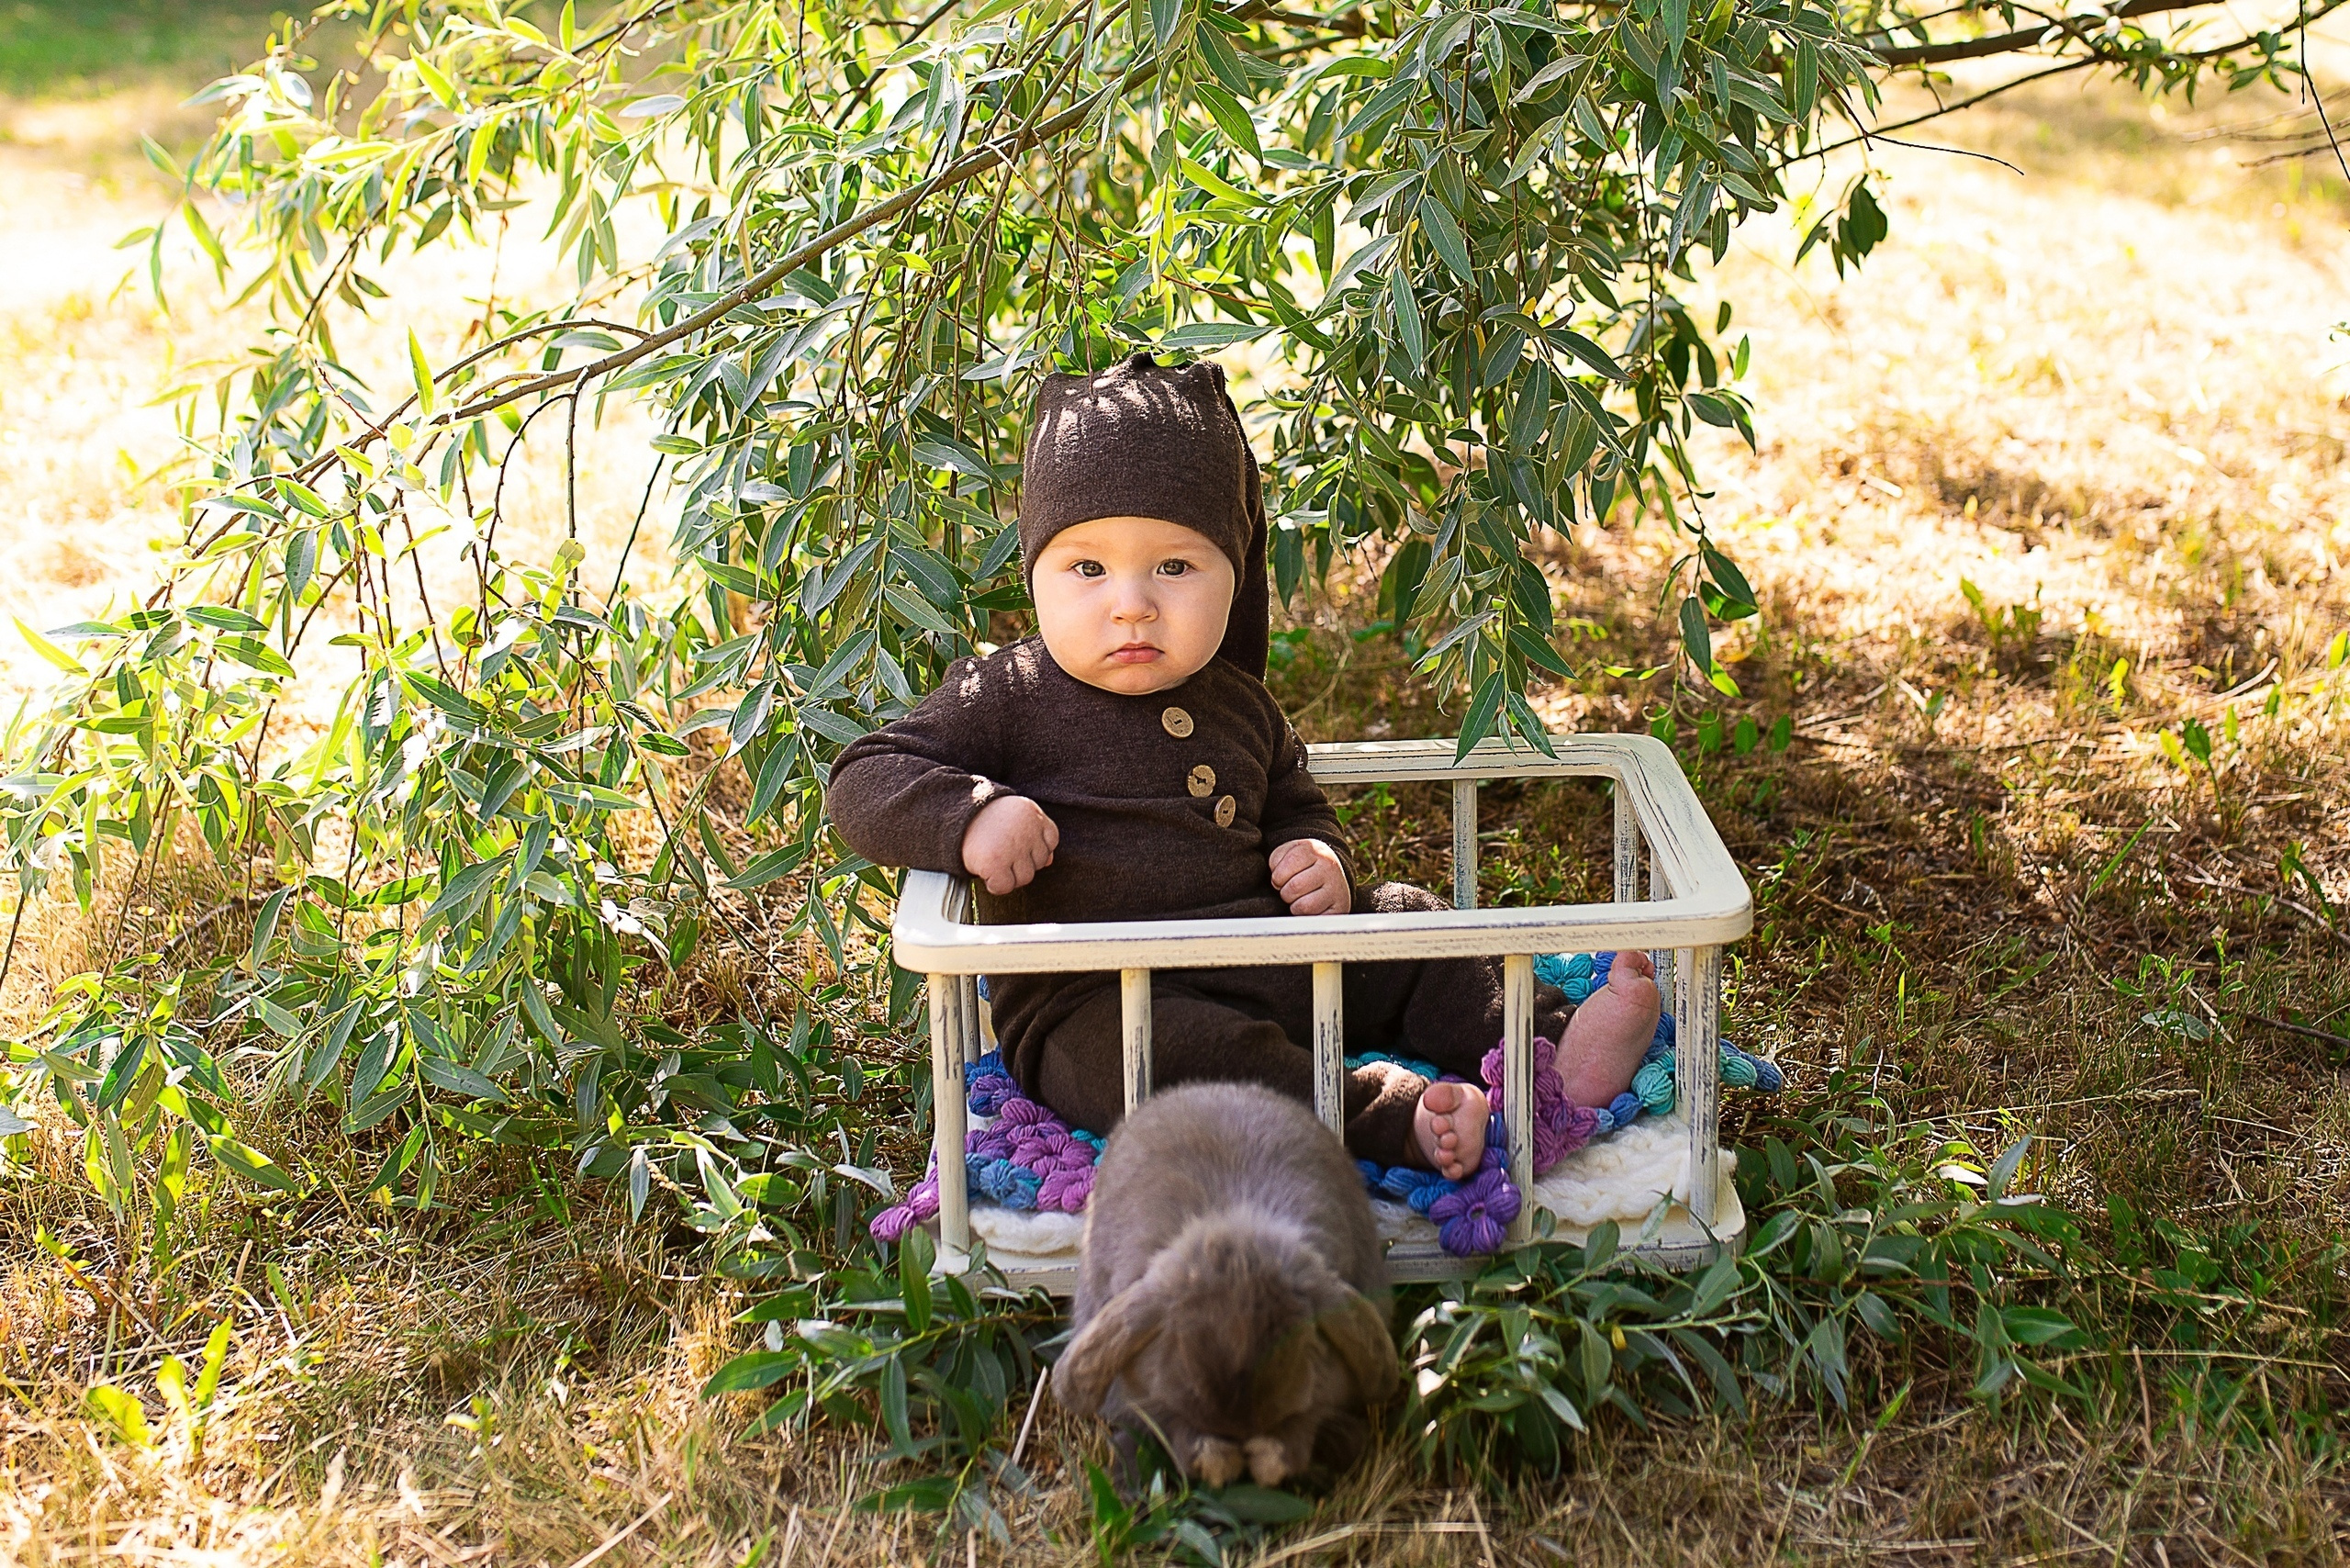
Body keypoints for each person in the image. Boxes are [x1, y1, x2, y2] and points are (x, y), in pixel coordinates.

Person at [827, 353, 1659, 1179]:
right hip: (1096, 1000)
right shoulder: (1004, 693)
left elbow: (1295, 801)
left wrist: (1320, 858)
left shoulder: (1239, 701)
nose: (1131, 603)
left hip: (1279, 959)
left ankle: (1548, 1041)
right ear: (1034, 574)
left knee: (1407, 922)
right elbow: (863, 777)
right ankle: (1380, 1115)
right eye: (1087, 568)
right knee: (1166, 1055)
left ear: (1234, 575)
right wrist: (970, 815)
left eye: (1176, 566)